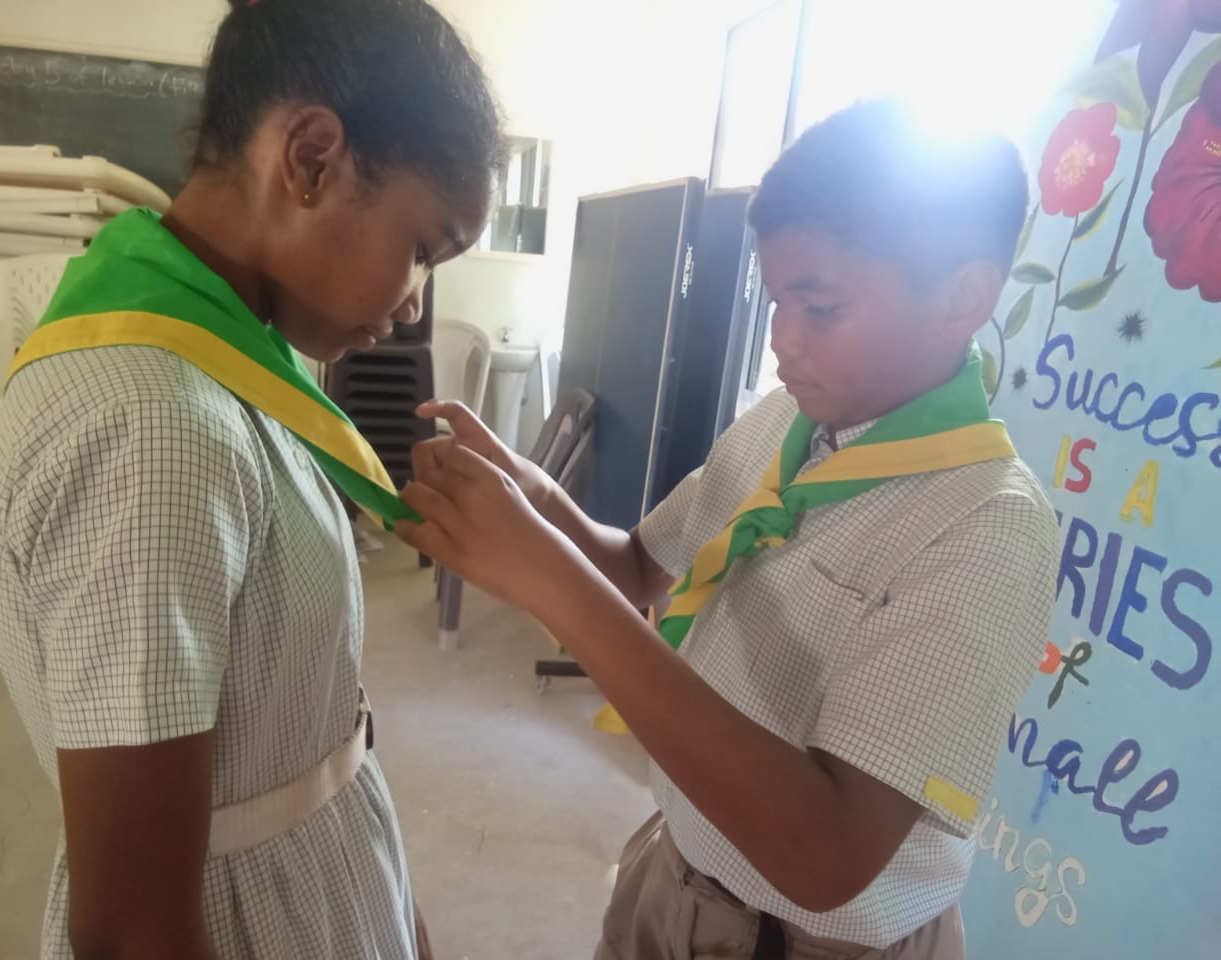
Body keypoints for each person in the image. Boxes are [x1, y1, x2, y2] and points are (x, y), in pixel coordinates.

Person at [396, 100, 1061, 960]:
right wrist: (538, 500)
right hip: (678, 869)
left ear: (962, 298)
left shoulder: (988, 528)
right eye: (775, 300)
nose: (783, 341)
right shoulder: (784, 421)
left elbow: (827, 856)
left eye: (820, 307)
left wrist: (550, 581)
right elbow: (638, 568)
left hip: (806, 941)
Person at [0, 1, 502, 958]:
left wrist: (391, 905)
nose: (414, 301)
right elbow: (136, 931)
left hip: (321, 881)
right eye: (423, 248)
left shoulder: (237, 356)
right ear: (311, 159)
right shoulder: (150, 424)